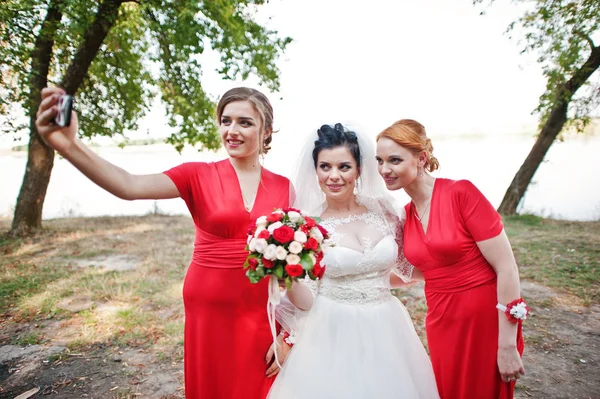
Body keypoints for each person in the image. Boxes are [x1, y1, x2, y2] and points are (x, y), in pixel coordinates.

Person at [35, 86, 294, 398]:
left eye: (245, 122)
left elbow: (293, 268)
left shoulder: (285, 187)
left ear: (266, 130)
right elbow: (128, 185)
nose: (232, 131)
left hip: (258, 311)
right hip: (208, 307)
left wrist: (290, 335)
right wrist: (69, 145)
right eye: (226, 121)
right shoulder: (195, 175)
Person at [267, 123, 440, 399]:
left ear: (359, 169)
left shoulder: (385, 210)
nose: (334, 176)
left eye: (344, 167)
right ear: (316, 170)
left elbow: (405, 269)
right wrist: (284, 276)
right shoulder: (307, 224)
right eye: (325, 167)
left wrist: (450, 275)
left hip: (387, 324)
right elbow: (306, 299)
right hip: (332, 327)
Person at [376, 119, 526, 399]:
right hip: (441, 322)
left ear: (421, 158)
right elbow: (421, 272)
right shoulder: (404, 216)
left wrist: (506, 344)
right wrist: (356, 281)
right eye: (380, 160)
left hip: (483, 320)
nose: (385, 169)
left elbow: (506, 267)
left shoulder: (461, 193)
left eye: (394, 160)